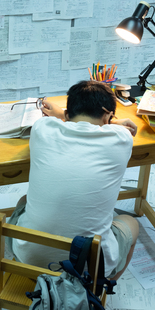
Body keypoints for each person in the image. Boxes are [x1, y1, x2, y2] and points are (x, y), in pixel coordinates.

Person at [9, 80, 139, 280]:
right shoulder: (121, 138)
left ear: (68, 115)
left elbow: (65, 121)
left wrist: (63, 114)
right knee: (131, 223)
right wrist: (112, 122)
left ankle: (40, 273)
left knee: (23, 201)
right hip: (91, 268)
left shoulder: (41, 128)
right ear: (108, 115)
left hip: (30, 262)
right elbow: (110, 127)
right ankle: (100, 287)